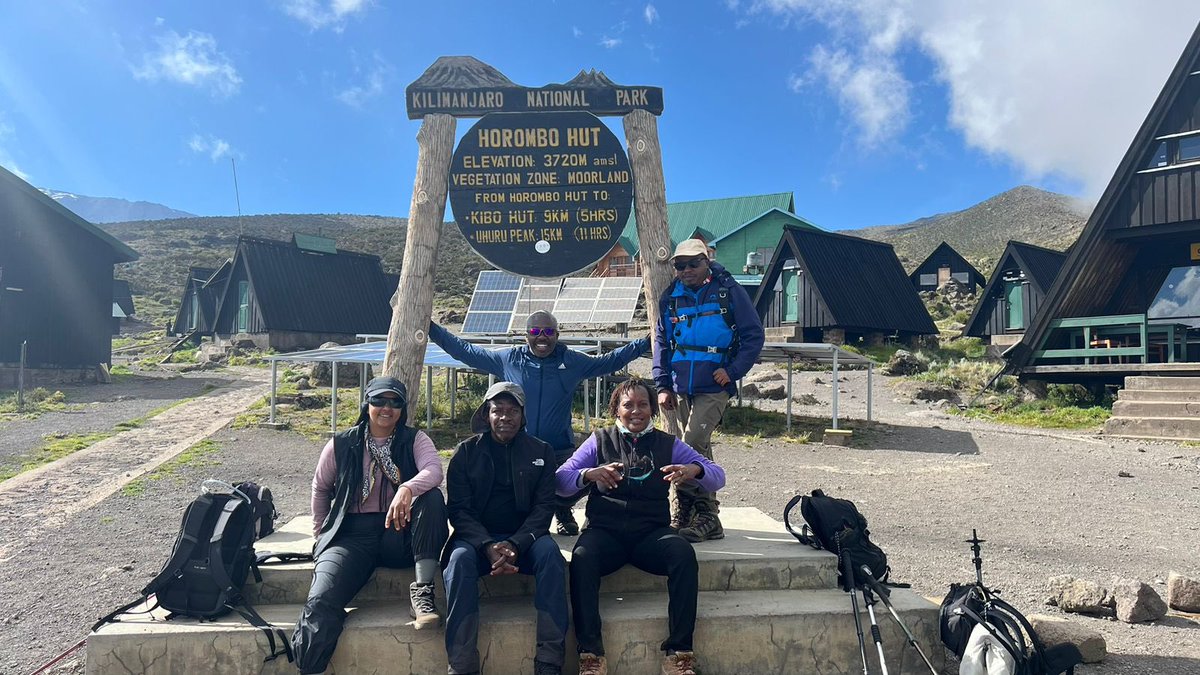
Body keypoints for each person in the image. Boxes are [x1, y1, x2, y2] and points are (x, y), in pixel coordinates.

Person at [556, 379, 725, 675]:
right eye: (628, 405)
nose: (636, 411)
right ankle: (591, 655)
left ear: (652, 409)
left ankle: (678, 654)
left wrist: (694, 470)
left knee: (683, 554)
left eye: (643, 404)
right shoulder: (599, 440)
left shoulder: (667, 444)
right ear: (616, 409)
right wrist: (588, 474)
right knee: (582, 558)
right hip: (604, 534)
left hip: (650, 536)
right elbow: (559, 481)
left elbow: (717, 476)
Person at [429, 310, 650, 535]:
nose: (541, 337)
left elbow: (610, 361)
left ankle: (562, 509)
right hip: (521, 449)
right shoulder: (510, 359)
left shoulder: (571, 361)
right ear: (526, 335)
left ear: (557, 334)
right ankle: (529, 519)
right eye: (535, 331)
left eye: (548, 331)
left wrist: (646, 342)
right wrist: (430, 328)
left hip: (560, 449)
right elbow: (465, 351)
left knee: (583, 476)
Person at [292, 376, 449, 674]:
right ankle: (309, 667)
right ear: (367, 404)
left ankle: (423, 592)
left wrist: (407, 489)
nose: (386, 408)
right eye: (379, 400)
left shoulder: (415, 439)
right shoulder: (342, 443)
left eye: (395, 402)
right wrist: (319, 535)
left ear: (403, 408)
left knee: (431, 499)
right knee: (322, 599)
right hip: (351, 536)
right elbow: (321, 488)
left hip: (398, 533)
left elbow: (433, 470)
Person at [442, 382, 567, 675]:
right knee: (458, 562)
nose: (505, 417)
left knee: (551, 556)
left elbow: (543, 509)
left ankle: (549, 662)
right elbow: (459, 511)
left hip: (526, 541)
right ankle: (462, 666)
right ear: (487, 414)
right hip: (476, 543)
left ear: (523, 416)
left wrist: (516, 544)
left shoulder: (543, 451)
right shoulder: (465, 453)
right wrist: (487, 545)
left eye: (513, 411)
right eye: (498, 410)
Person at [653, 238, 763, 543]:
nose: (686, 270)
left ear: (707, 261)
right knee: (698, 449)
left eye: (693, 264)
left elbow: (753, 335)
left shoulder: (729, 291)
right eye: (680, 265)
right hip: (681, 385)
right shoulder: (671, 297)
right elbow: (661, 343)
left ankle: (700, 511)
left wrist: (732, 371)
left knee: (691, 443)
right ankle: (699, 514)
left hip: (715, 384)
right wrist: (662, 384)